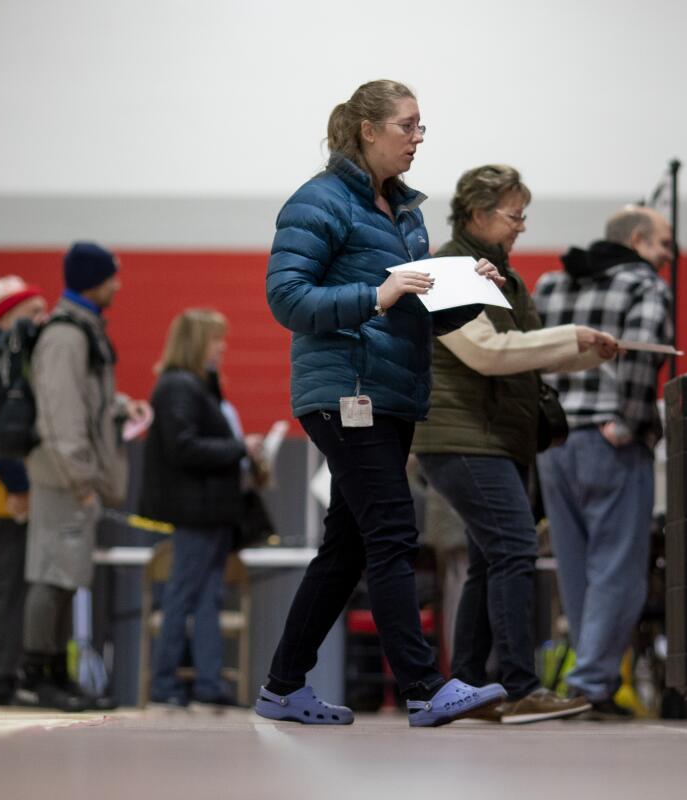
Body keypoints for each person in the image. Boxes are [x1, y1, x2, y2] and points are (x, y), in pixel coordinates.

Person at [258, 80, 508, 728]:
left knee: (347, 547)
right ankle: (424, 687)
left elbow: (416, 301)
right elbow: (287, 298)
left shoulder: (405, 212)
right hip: (345, 389)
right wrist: (375, 293)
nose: (418, 139)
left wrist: (469, 283)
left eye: (421, 127)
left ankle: (283, 687)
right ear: (368, 130)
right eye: (408, 126)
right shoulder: (320, 202)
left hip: (389, 394)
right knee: (394, 531)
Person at [412, 164, 616, 724]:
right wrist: (571, 340)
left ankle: (472, 686)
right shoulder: (447, 270)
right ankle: (521, 685)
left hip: (495, 437)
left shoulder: (506, 277)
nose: (522, 226)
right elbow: (487, 353)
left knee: (487, 560)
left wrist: (584, 352)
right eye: (514, 214)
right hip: (462, 437)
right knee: (514, 548)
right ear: (477, 214)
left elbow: (519, 348)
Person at [533, 205, 673, 716]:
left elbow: (529, 350)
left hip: (554, 443)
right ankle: (591, 684)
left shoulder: (551, 284)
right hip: (609, 439)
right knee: (618, 570)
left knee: (574, 568)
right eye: (662, 244)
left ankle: (585, 674)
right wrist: (632, 423)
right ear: (636, 240)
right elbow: (642, 355)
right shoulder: (644, 286)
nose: (667, 256)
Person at [17, 242, 149, 711]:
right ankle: (38, 675)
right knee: (51, 575)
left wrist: (119, 406)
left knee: (66, 574)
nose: (118, 284)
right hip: (61, 476)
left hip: (68, 474)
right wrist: (80, 475)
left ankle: (55, 674)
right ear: (94, 279)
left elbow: (84, 401)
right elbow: (59, 414)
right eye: (112, 276)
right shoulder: (65, 335)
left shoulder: (83, 330)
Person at [140, 309, 266, 707]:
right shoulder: (180, 387)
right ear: (197, 343)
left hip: (209, 510)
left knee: (207, 595)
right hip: (196, 509)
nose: (222, 346)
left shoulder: (196, 386)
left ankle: (208, 682)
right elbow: (184, 447)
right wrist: (239, 449)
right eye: (215, 339)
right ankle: (165, 682)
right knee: (184, 593)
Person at [0, 277, 48, 705]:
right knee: (6, 592)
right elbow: (2, 433)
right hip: (2, 497)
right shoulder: (6, 359)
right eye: (32, 313)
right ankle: (0, 676)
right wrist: (19, 485)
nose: (40, 321)